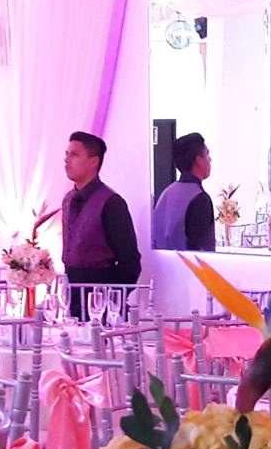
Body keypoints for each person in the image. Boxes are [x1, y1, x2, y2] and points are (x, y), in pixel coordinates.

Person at [59, 130, 140, 315]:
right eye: (67, 154)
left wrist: (112, 299)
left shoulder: (111, 202)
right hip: (72, 292)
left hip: (102, 293)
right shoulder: (68, 199)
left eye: (74, 154)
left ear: (93, 161)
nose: (67, 160)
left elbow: (130, 262)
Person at [150, 132, 215, 252]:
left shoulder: (166, 193)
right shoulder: (199, 198)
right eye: (207, 154)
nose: (210, 159)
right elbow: (200, 252)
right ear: (198, 160)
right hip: (185, 263)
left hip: (161, 263)